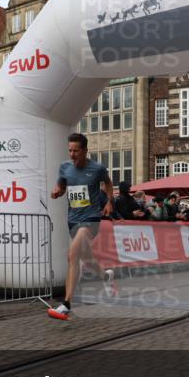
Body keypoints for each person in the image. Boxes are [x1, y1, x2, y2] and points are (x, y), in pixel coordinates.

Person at [47, 133, 114, 321]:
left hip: (91, 219)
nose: (72, 154)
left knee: (72, 256)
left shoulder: (97, 168)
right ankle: (105, 276)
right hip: (73, 219)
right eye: (70, 150)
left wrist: (109, 202)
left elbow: (108, 183)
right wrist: (57, 192)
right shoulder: (65, 168)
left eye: (76, 150)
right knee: (88, 259)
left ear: (85, 150)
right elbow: (61, 186)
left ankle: (66, 304)